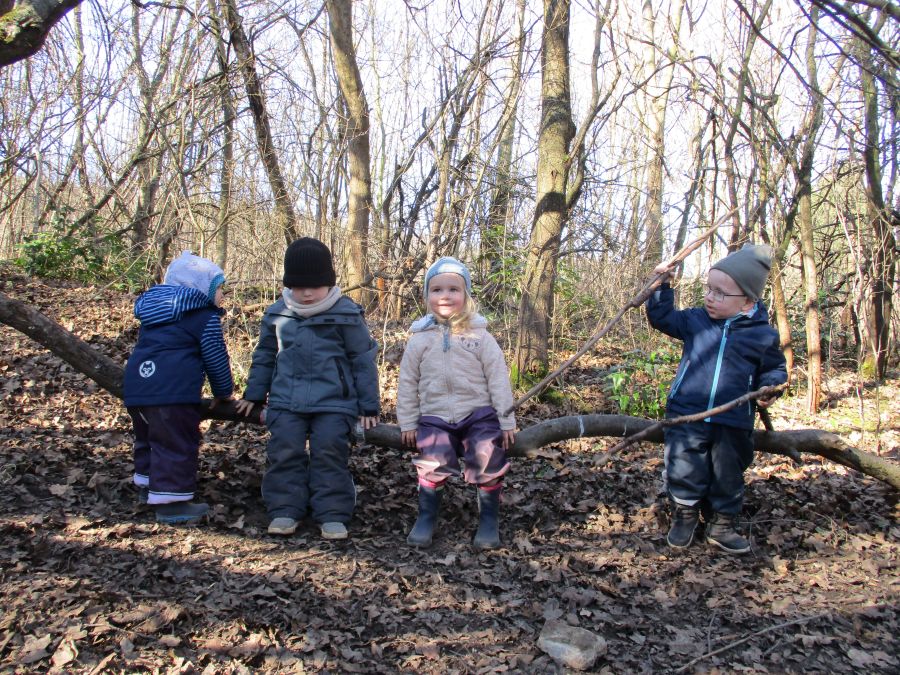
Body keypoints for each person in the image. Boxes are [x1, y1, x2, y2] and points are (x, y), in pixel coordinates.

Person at [646, 244, 787, 554]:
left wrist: (771, 387)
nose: (710, 297)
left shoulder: (762, 334)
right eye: (708, 289)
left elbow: (774, 368)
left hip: (733, 419)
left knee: (728, 472)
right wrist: (660, 285)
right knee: (684, 466)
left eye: (720, 293)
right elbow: (662, 318)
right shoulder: (697, 321)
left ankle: (721, 523)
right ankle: (684, 516)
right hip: (687, 414)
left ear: (748, 301)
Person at [235, 237, 379, 540]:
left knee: (329, 450)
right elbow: (263, 355)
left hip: (334, 402)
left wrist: (369, 405)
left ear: (329, 282)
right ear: (289, 285)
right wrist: (254, 394)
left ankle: (332, 513)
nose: (308, 292)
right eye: (300, 286)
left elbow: (362, 360)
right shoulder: (278, 313)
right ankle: (285, 509)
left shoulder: (347, 314)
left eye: (315, 285)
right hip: (287, 399)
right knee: (284, 448)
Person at [397, 257, 516, 550]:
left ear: (466, 295)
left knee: (488, 453)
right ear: (427, 296)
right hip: (435, 416)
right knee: (432, 459)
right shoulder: (419, 339)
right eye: (437, 290)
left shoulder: (481, 336)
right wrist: (408, 422)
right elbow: (408, 383)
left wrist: (506, 420)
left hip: (478, 414)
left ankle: (489, 518)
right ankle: (426, 517)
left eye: (453, 289)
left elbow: (498, 379)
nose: (445, 296)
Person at [123, 251, 234, 525]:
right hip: (174, 391)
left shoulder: (155, 312)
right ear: (199, 288)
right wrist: (224, 392)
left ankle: (148, 488)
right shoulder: (202, 316)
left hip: (138, 386)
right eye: (218, 288)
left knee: (149, 438)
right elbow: (215, 357)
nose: (222, 295)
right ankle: (171, 502)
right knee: (175, 442)